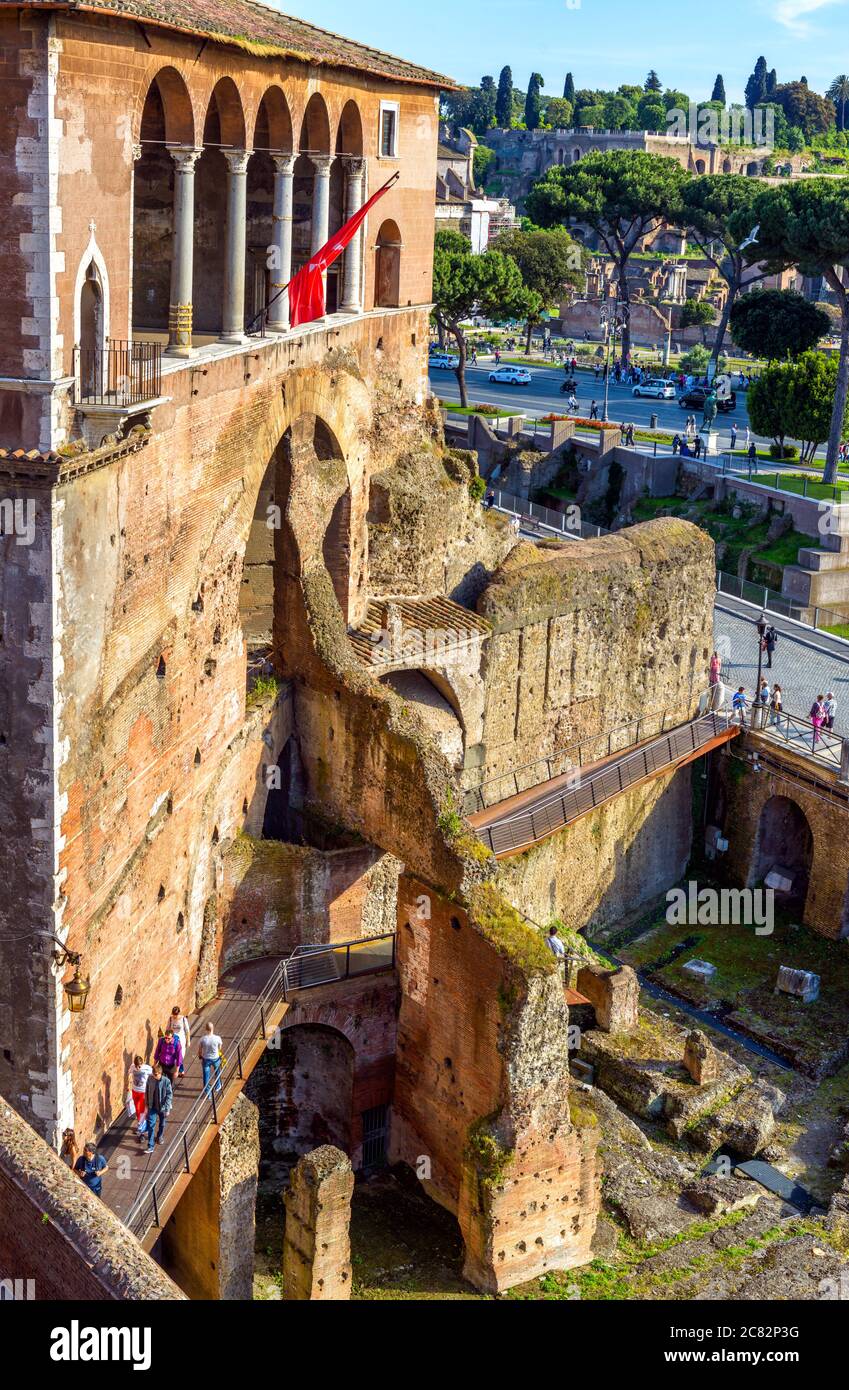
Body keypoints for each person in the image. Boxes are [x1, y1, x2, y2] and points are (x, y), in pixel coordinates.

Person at [144, 1062, 173, 1151]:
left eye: (156, 1074)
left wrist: (167, 1109)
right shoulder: (150, 1079)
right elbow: (146, 1092)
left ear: (160, 1073)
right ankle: (150, 1146)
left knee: (162, 1124)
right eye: (153, 1074)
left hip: (163, 1107)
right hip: (152, 1106)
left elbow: (169, 1095)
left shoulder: (166, 1081)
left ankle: (160, 1136)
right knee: (151, 1125)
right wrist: (146, 1106)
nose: (154, 1076)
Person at [198, 1021, 224, 1097]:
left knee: (206, 1075)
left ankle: (208, 1093)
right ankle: (218, 1085)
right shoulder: (217, 1038)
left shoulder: (202, 1039)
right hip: (215, 1058)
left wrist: (200, 1055)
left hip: (206, 1059)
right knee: (217, 1071)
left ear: (206, 1029)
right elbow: (220, 1048)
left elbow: (199, 1050)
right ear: (213, 1028)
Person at [166, 1005, 191, 1078]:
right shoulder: (171, 1019)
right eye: (173, 1015)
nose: (175, 1016)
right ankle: (180, 1070)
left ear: (178, 1013)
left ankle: (180, 1070)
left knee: (181, 1055)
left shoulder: (183, 1019)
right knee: (174, 1055)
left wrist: (188, 1040)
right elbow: (167, 1029)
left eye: (176, 1015)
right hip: (173, 1040)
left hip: (181, 1040)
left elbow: (187, 1030)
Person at [129, 1054, 152, 1127]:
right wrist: (128, 1083)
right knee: (137, 1108)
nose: (137, 1068)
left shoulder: (147, 1068)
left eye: (139, 1066)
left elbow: (153, 1075)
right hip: (134, 1091)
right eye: (136, 1066)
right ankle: (141, 1122)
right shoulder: (133, 1066)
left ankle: (141, 1125)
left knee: (141, 1109)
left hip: (143, 1092)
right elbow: (129, 1073)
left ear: (142, 1063)